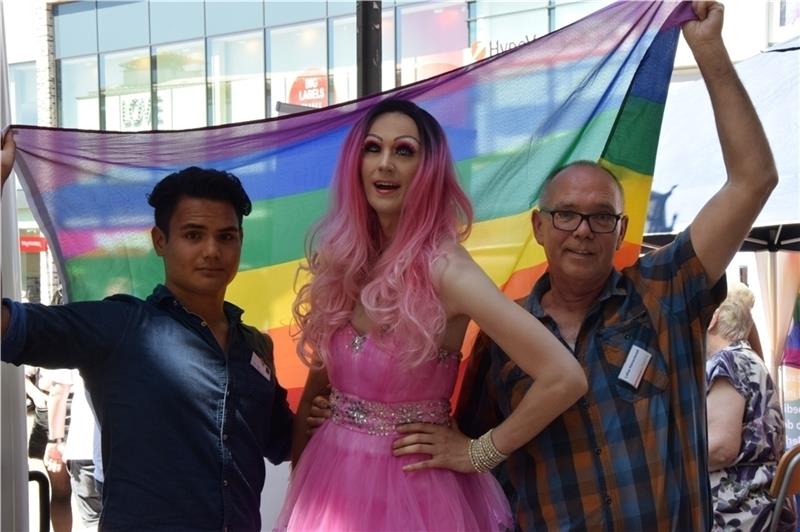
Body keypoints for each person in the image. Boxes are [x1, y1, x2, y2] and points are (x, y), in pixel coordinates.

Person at [456, 2, 779, 529]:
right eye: (566, 215)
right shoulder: (501, 335)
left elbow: (754, 179)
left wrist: (710, 51)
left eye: (601, 217)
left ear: (621, 232)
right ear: (538, 228)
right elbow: (473, 454)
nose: (582, 229)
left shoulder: (666, 291)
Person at [274, 98, 587, 531]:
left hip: (416, 495)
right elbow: (319, 385)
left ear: (430, 170)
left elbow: (564, 376)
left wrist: (479, 453)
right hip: (327, 484)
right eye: (372, 148)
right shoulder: (344, 259)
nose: (384, 164)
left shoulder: (447, 269)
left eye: (404, 151)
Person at [0, 141, 294, 531]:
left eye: (226, 237)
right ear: (160, 241)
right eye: (193, 234)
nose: (212, 250)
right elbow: (8, 327)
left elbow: (286, 443)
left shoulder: (255, 347)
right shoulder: (121, 327)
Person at [706, 284, 797, 531]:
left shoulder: (727, 361)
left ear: (712, 318)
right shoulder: (750, 359)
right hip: (764, 503)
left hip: (736, 510)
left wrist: (671, 455)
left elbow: (721, 449)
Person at [49, 369, 103, 531]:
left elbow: (58, 391)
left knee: (94, 521)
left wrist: (54, 441)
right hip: (126, 450)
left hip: (85, 447)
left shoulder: (73, 344)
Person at [25, 366, 73, 532]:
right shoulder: (44, 340)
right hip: (51, 411)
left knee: (93, 489)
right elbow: (22, 373)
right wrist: (37, 396)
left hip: (84, 408)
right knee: (61, 491)